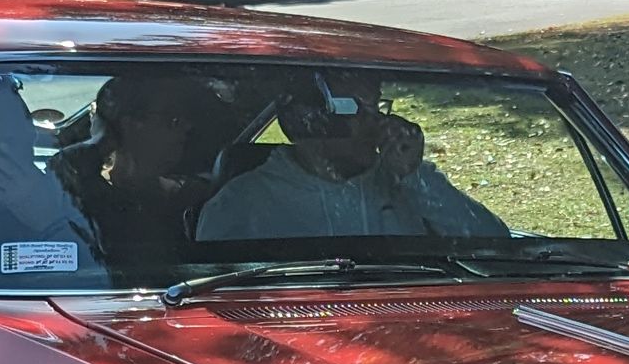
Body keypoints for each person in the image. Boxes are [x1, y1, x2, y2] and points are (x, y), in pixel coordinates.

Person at [192, 70, 508, 249]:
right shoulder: (242, 204)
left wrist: (416, 178)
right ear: (310, 121)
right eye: (358, 110)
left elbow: (497, 246)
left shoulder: (407, 182)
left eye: (376, 108)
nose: (379, 124)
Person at [55, 73, 215, 281]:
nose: (187, 128)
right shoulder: (87, 197)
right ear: (130, 125)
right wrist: (103, 140)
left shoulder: (199, 198)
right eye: (173, 120)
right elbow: (62, 169)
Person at [0, 70, 94, 281]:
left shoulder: (75, 201)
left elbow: (102, 278)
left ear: (30, 136)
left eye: (11, 135)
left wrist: (49, 221)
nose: (7, 157)